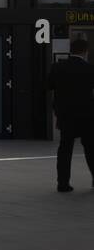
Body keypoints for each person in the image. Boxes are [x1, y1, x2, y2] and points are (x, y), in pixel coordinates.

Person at [48, 36, 94, 193]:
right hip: (87, 116)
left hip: (65, 115)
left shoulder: (57, 67)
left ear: (71, 50)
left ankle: (63, 183)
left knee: (65, 149)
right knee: (90, 148)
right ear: (85, 52)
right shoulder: (90, 69)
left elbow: (48, 86)